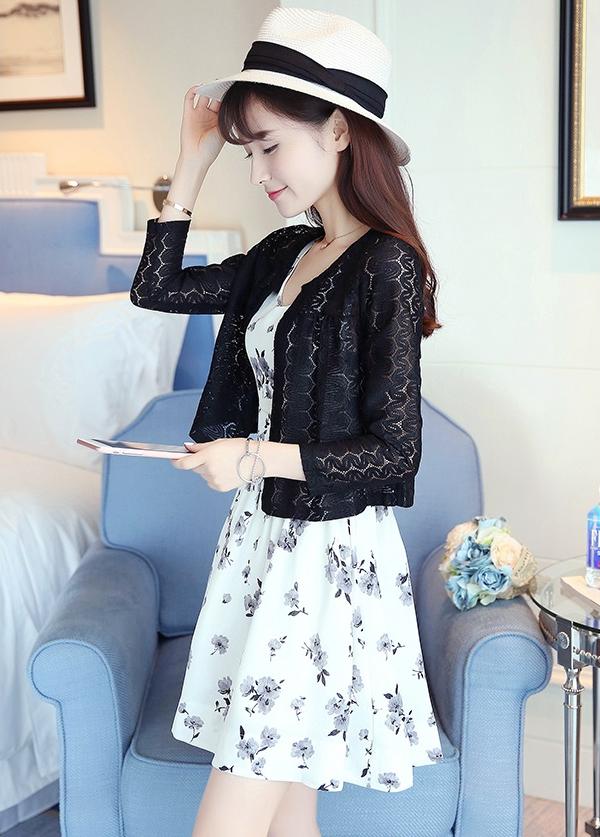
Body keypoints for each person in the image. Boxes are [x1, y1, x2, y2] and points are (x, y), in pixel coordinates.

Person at [130, 7, 444, 837]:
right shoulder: (284, 253)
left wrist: (252, 456)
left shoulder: (386, 264)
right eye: (248, 151)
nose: (260, 171)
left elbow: (394, 453)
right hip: (261, 542)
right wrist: (193, 160)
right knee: (286, 814)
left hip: (327, 565)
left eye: (270, 145)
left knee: (231, 817)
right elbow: (157, 289)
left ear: (338, 129)